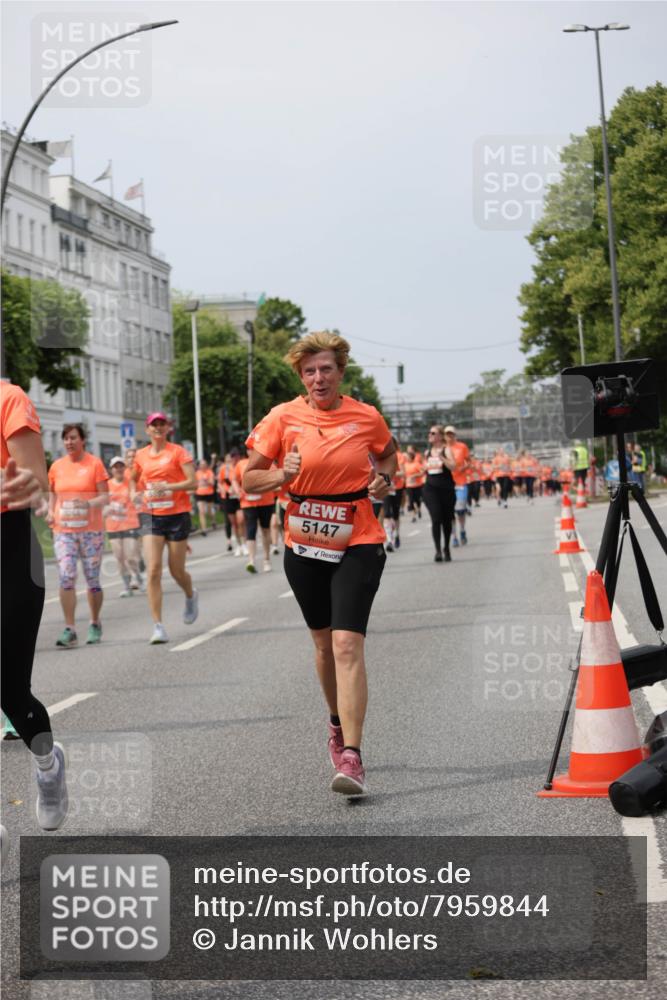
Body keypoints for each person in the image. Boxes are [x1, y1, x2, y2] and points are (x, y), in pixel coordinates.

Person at [242, 331, 395, 796]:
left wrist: (384, 481)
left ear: (340, 371)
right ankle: (335, 722)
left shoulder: (365, 416)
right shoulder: (281, 417)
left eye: (325, 368)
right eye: (309, 371)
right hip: (304, 538)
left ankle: (353, 755)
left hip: (358, 533)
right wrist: (280, 475)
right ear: (301, 376)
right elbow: (249, 479)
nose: (318, 377)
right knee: (325, 644)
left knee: (348, 644)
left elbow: (387, 456)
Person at [1, 381, 68, 831]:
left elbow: (36, 481)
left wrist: (23, 484)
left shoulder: (8, 399)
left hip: (10, 555)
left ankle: (48, 765)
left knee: (9, 690)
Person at [131, 412, 198, 644]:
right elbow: (133, 478)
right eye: (154, 425)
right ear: (147, 430)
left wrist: (168, 487)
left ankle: (190, 594)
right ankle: (158, 626)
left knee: (176, 570)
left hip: (177, 514)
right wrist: (134, 493)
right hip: (151, 516)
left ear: (168, 428)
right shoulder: (140, 455)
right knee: (153, 570)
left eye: (162, 424)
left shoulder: (178, 452)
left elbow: (193, 482)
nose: (158, 428)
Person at [47, 424, 109, 647]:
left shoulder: (94, 464)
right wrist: (49, 512)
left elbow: (105, 497)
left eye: (73, 438)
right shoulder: (56, 467)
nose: (69, 442)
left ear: (83, 440)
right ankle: (70, 628)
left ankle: (94, 622)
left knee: (92, 579)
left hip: (90, 530)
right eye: (65, 439)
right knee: (66, 576)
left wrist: (86, 504)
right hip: (64, 531)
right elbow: (53, 495)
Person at [104, 456, 143, 596]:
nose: (119, 469)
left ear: (124, 468)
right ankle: (127, 586)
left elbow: (137, 495)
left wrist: (137, 497)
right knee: (120, 558)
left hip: (130, 524)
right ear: (111, 470)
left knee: (131, 556)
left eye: (121, 466)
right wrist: (105, 509)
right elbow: (102, 502)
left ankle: (138, 577)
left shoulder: (130, 483)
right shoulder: (106, 485)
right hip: (113, 526)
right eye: (116, 467)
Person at [234, 449, 276, 573]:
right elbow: (235, 479)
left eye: (255, 449)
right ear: (246, 451)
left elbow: (276, 480)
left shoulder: (269, 464)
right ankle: (251, 560)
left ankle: (267, 560)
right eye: (249, 449)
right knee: (251, 529)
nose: (251, 451)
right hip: (248, 502)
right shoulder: (241, 464)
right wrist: (238, 491)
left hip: (266, 501)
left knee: (265, 530)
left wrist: (264, 487)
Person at [422, 425, 457, 561]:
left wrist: (442, 458)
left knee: (446, 520)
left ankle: (446, 548)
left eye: (433, 433)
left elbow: (453, 466)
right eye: (429, 433)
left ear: (441, 436)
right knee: (436, 518)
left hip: (446, 489)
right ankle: (438, 551)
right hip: (430, 489)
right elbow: (426, 469)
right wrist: (424, 467)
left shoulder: (446, 450)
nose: (430, 435)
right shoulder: (427, 452)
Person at [445, 426, 470, 546]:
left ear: (455, 435)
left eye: (451, 434)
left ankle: (462, 530)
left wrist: (462, 468)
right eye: (447, 434)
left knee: (460, 511)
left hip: (461, 482)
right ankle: (454, 536)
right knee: (450, 512)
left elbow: (469, 461)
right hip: (447, 484)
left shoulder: (462, 447)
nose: (449, 436)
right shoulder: (443, 449)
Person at [218, 451, 246, 555]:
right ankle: (239, 546)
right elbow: (220, 482)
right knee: (234, 523)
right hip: (228, 497)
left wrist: (239, 489)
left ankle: (244, 544)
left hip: (239, 497)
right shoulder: (223, 469)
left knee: (241, 520)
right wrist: (225, 490)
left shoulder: (240, 466)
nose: (232, 461)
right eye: (229, 459)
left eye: (234, 459)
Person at [194, 459, 216, 535]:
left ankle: (213, 521)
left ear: (206, 465)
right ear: (199, 466)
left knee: (209, 511)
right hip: (199, 494)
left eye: (204, 464)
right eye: (201, 464)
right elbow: (195, 484)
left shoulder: (209, 472)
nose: (203, 466)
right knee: (202, 512)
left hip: (209, 493)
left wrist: (206, 481)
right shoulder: (197, 473)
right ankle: (204, 529)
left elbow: (212, 483)